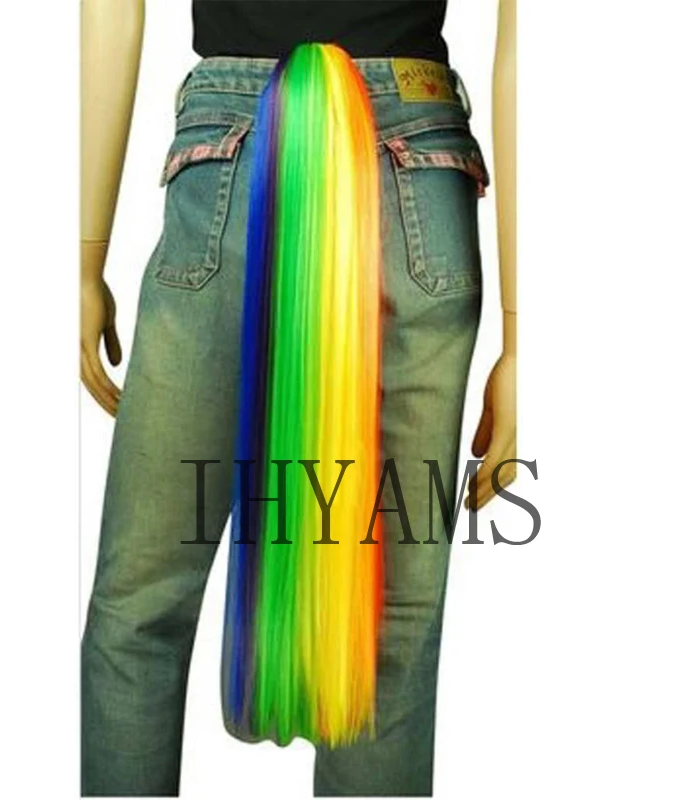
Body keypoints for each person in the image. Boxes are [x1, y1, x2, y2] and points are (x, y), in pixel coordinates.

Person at [80, 0, 516, 795]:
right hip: (419, 159)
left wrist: (84, 256)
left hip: (233, 144)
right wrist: (523, 338)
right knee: (391, 625)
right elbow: (529, 44)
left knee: (140, 606)